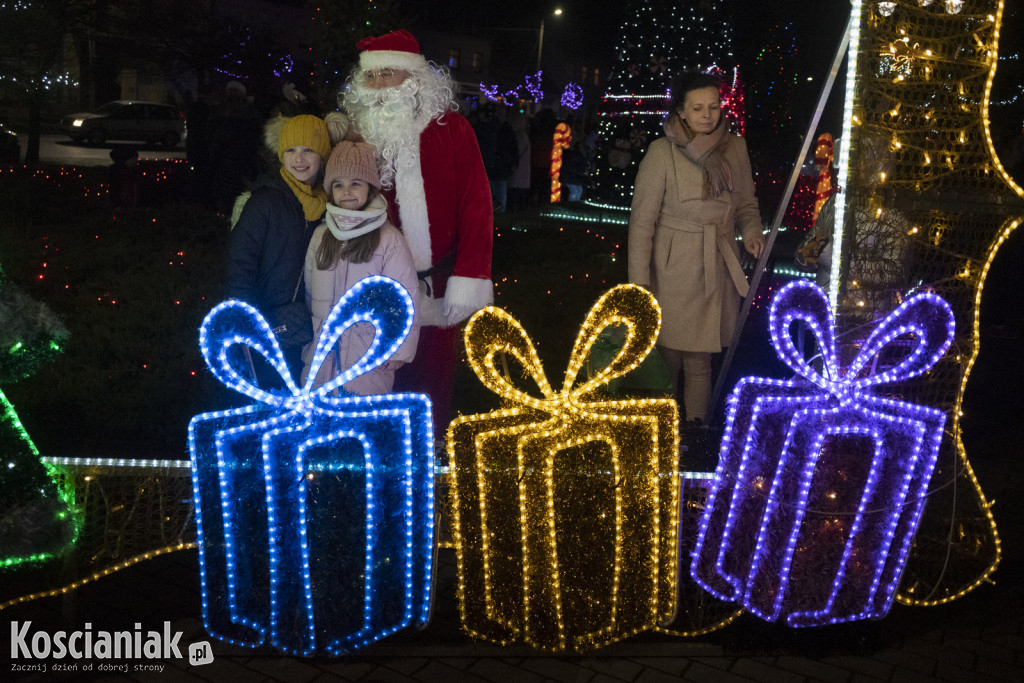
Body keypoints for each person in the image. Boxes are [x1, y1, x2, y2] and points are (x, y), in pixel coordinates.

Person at [340, 29, 493, 435]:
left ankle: (428, 470)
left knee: (430, 390)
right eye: (370, 77)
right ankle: (379, 475)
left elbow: (477, 206)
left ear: (413, 78)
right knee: (371, 387)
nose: (377, 86)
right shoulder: (355, 136)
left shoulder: (453, 130)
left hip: (437, 287)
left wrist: (470, 277)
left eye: (387, 74)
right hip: (372, 287)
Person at [628, 72, 765, 425]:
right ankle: (662, 429)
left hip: (715, 263)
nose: (707, 115)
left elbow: (747, 205)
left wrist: (751, 233)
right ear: (683, 112)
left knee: (700, 358)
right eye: (698, 108)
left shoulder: (734, 148)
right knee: (668, 354)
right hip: (672, 267)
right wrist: (639, 282)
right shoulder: (662, 151)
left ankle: (696, 431)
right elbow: (642, 222)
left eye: (714, 107)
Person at [225, 113, 346, 388]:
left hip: (303, 326)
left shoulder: (328, 206)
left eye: (308, 150)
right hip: (264, 321)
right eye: (291, 150)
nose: (299, 159)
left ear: (322, 156)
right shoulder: (265, 202)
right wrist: (246, 321)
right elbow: (240, 264)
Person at [300, 140, 420, 395]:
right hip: (322, 356)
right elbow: (310, 292)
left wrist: (398, 350)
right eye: (338, 185)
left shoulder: (389, 240)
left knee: (362, 426)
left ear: (370, 187)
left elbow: (405, 298)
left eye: (355, 183)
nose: (347, 192)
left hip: (367, 357)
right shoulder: (322, 235)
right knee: (320, 425)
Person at [473, 102, 518, 213]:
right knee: (497, 193)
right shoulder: (499, 129)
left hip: (496, 166)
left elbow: (512, 147)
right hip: (496, 166)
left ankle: (495, 214)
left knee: (496, 192)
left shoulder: (494, 128)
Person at [507, 111, 531, 212]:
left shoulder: (519, 136)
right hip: (522, 174)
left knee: (515, 197)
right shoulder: (524, 136)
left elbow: (517, 153)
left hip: (518, 173)